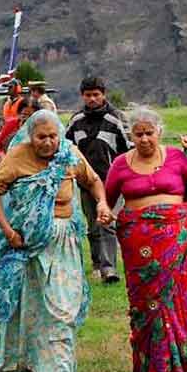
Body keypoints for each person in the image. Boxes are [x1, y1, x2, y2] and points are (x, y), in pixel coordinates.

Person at [0, 110, 116, 372]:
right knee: (36, 310)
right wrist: (8, 230)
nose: (48, 142)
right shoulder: (18, 157)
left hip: (64, 244)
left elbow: (93, 181)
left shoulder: (69, 154)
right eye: (41, 137)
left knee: (62, 310)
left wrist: (102, 203)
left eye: (52, 136)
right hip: (30, 249)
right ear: (30, 137)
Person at [104, 107, 187, 372]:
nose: (144, 139)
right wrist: (103, 210)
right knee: (147, 306)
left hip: (173, 242)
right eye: (138, 134)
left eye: (149, 133)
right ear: (131, 135)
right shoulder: (120, 164)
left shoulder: (176, 158)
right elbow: (106, 198)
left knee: (172, 302)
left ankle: (175, 371)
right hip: (138, 245)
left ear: (159, 133)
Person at [65, 76, 131, 284]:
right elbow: (66, 149)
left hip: (111, 182)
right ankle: (96, 263)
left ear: (104, 94)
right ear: (82, 96)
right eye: (88, 95)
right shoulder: (76, 121)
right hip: (85, 183)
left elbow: (128, 149)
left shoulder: (116, 119)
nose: (92, 99)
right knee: (92, 226)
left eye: (96, 94)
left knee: (107, 223)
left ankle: (109, 268)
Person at [0, 97, 41, 162]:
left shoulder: (40, 128)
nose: (27, 119)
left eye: (31, 116)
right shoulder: (11, 124)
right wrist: (3, 157)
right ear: (19, 113)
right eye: (24, 115)